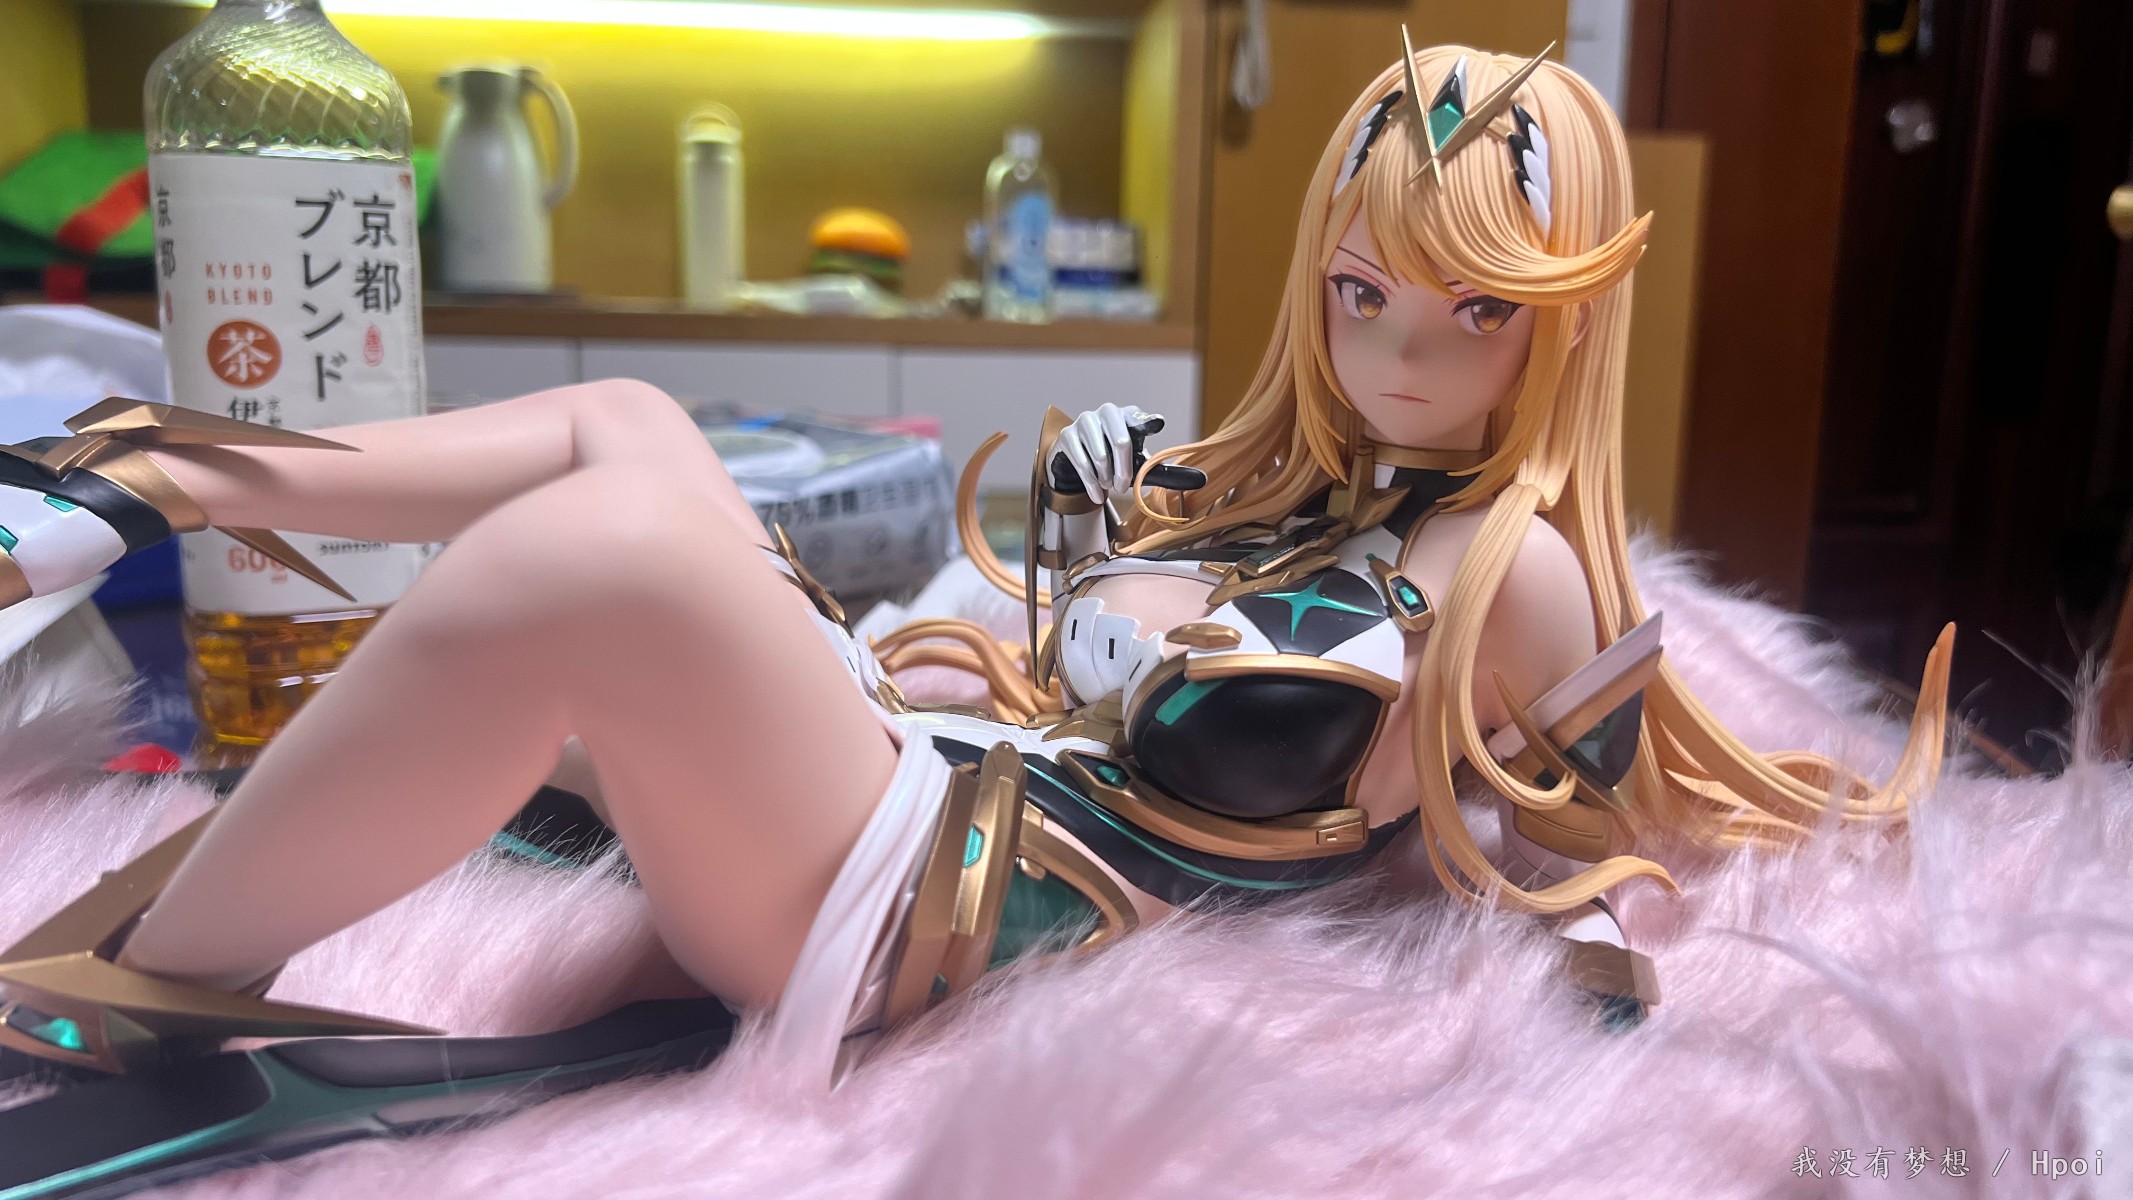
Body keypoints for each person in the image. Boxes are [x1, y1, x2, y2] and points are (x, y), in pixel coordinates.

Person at [0, 37, 1949, 1179]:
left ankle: (124, 981)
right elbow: (1082, 661)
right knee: (631, 418)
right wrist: (1103, 558)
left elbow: (1592, 841)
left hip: (948, 910)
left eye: (1475, 311)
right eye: (1360, 295)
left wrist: (1589, 983)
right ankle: (148, 469)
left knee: (593, 559)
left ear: (1566, 315)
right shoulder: (1304, 487)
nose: (1401, 355)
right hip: (916, 770)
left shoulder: (1517, 571)